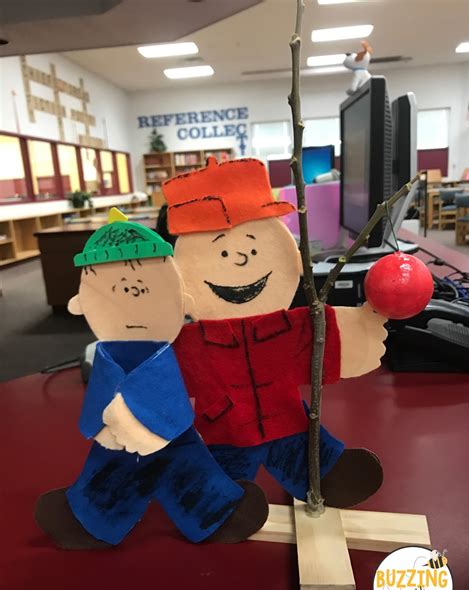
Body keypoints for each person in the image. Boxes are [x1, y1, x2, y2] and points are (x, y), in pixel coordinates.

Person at [35, 208, 268, 549]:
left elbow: (162, 384)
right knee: (144, 463)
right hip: (127, 438)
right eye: (117, 289)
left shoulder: (162, 352)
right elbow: (104, 384)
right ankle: (214, 512)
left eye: (143, 287)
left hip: (165, 431)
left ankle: (90, 515)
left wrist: (131, 416)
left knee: (163, 464)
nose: (131, 292)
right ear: (80, 303)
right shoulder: (108, 353)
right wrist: (110, 420)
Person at [162, 157, 387, 507]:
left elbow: (324, 338)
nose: (240, 259)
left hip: (287, 421)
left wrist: (363, 326)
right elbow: (165, 378)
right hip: (226, 429)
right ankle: (221, 505)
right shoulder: (192, 343)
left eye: (253, 249)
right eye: (222, 251)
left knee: (307, 451)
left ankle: (326, 475)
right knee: (220, 479)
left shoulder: (290, 327)